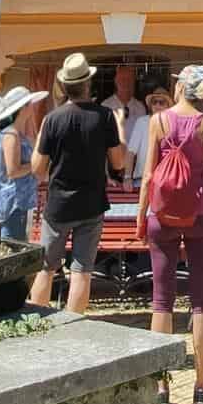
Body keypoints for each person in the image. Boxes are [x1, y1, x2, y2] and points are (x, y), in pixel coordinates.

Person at [134, 64, 203, 404]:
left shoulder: (157, 121)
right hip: (200, 214)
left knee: (162, 299)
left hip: (162, 216)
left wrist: (142, 219)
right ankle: (202, 386)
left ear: (179, 89)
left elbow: (146, 177)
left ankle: (161, 388)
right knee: (201, 299)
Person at [27, 52, 125, 314]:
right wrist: (121, 128)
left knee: (46, 268)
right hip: (91, 203)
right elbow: (118, 162)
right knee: (82, 271)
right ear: (88, 83)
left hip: (58, 204)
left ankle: (36, 324)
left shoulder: (52, 119)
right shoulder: (104, 117)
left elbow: (37, 168)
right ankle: (74, 327)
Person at [0, 86, 48, 242]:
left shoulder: (15, 133)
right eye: (29, 104)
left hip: (19, 201)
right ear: (22, 108)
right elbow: (13, 171)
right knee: (12, 246)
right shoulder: (12, 135)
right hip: (14, 202)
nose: (32, 107)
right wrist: (35, 165)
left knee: (16, 245)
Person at [123, 88, 171, 189]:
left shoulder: (174, 124)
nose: (157, 105)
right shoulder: (142, 122)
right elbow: (130, 152)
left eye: (161, 102)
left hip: (166, 182)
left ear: (168, 105)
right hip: (142, 181)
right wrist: (127, 177)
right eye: (154, 102)